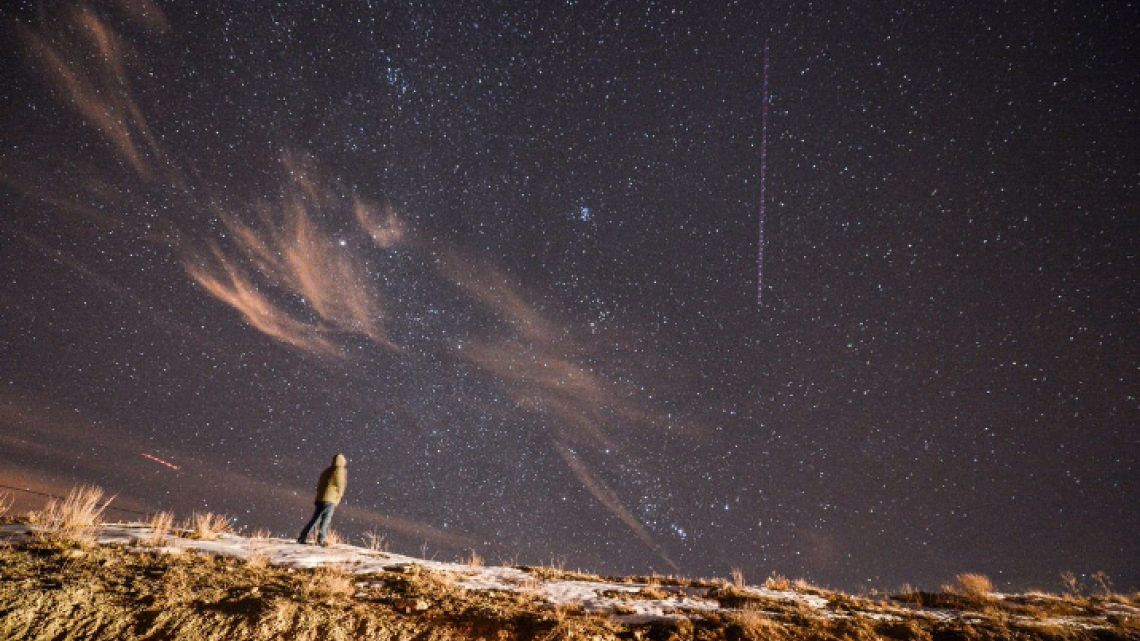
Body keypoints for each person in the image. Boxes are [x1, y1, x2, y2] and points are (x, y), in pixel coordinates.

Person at [297, 453, 348, 546]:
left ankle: (303, 537)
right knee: (325, 520)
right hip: (330, 499)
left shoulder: (326, 471)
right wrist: (338, 498)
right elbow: (340, 486)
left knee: (315, 520)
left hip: (320, 498)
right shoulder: (340, 470)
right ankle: (321, 540)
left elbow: (320, 485)